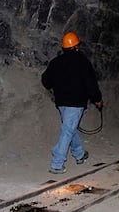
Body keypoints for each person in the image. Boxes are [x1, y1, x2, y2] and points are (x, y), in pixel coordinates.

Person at [41, 31, 103, 174]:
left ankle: (79, 154)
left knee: (69, 128)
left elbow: (45, 81)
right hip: (76, 103)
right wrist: (97, 100)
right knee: (68, 130)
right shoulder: (83, 62)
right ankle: (57, 163)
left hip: (61, 102)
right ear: (76, 46)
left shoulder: (56, 62)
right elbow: (91, 85)